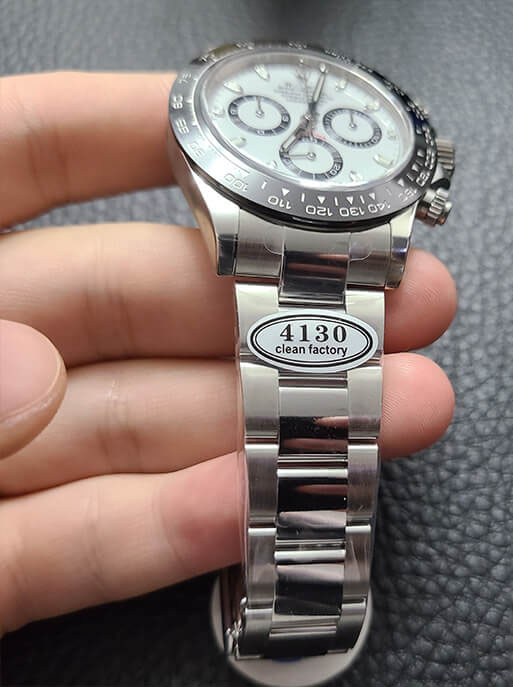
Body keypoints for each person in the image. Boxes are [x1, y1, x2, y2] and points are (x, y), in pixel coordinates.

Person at [0, 71, 457, 637]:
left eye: (328, 120)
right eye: (299, 118)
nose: (309, 124)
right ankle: (296, 612)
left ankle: (303, 610)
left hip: (355, 245)